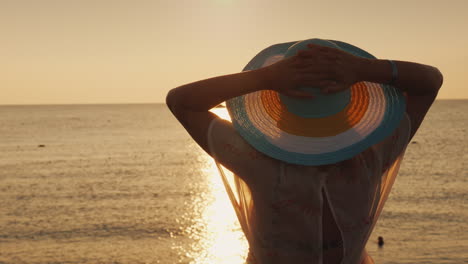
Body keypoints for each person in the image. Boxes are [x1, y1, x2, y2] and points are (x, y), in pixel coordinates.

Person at [166, 39, 443, 264]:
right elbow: (429, 83)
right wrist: (366, 71)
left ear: (279, 110)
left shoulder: (254, 158)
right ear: (352, 110)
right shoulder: (374, 151)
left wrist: (265, 78)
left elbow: (182, 102)